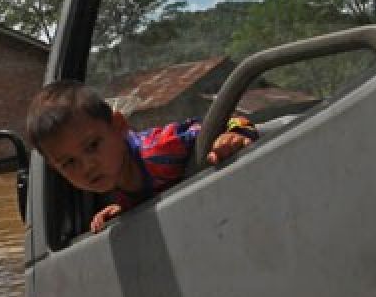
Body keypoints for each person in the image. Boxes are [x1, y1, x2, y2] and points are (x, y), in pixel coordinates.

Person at [25, 80, 258, 233]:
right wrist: (126, 207)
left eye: (93, 145)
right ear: (56, 170)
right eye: (69, 163)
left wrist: (236, 133)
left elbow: (216, 123)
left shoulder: (160, 149)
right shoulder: (119, 179)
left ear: (119, 126)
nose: (87, 165)